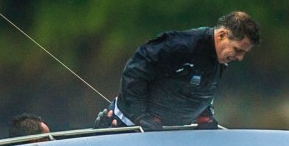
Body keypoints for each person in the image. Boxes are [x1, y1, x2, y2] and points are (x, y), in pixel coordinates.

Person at [93, 11, 260, 131]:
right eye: (238, 50)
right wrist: (140, 116)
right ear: (222, 35)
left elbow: (200, 89)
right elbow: (134, 71)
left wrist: (204, 115)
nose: (240, 58)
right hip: (127, 126)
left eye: (244, 53)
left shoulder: (221, 59)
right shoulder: (180, 45)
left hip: (165, 135)